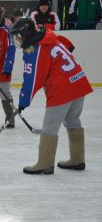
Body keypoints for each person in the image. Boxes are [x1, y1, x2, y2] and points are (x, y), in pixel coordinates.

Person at [10, 17, 93, 174]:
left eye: (17, 36)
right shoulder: (48, 34)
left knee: (49, 128)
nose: (16, 40)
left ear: (25, 32)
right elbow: (67, 44)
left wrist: (22, 102)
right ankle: (77, 159)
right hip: (78, 81)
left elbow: (32, 79)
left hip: (62, 89)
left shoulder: (35, 49)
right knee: (73, 121)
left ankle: (45, 164)